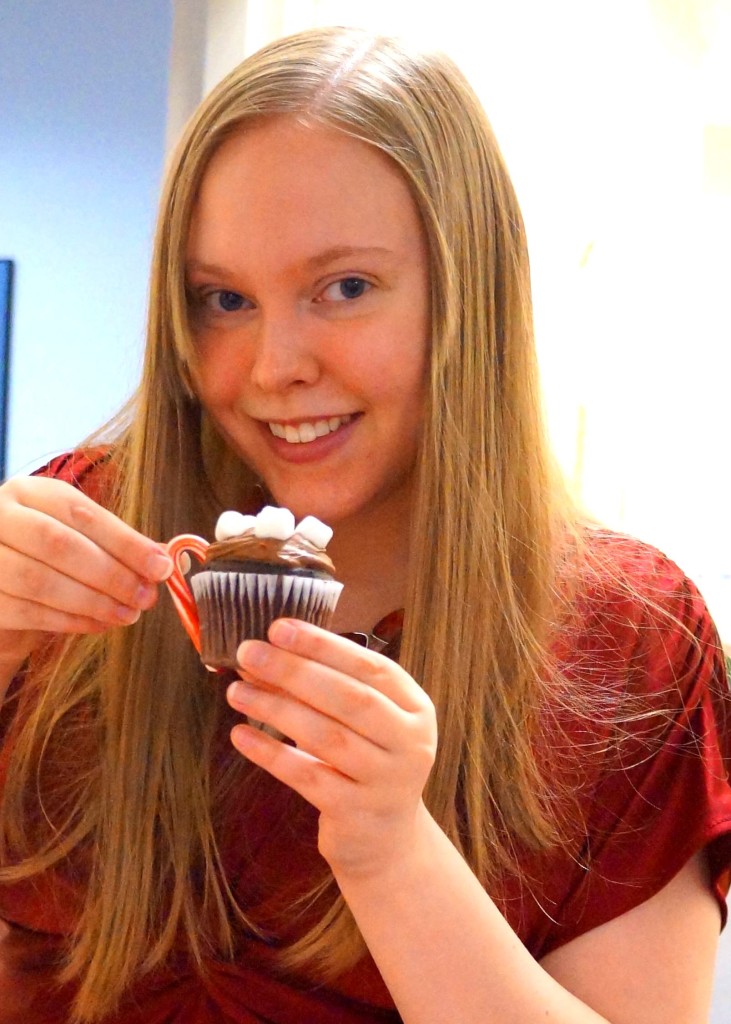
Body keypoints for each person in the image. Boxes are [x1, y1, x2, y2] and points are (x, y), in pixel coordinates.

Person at [0, 25, 729, 1024]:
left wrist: (391, 850)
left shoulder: (629, 640)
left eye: (343, 288)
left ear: (466, 298)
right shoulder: (78, 528)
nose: (271, 367)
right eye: (222, 299)